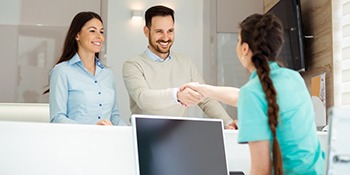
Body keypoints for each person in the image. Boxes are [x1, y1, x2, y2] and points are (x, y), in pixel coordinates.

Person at [181, 13, 324, 174]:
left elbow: (261, 170)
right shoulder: (294, 78)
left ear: (244, 48)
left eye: (238, 40)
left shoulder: (253, 93)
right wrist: (202, 89)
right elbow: (242, 97)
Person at [122, 5, 236, 128]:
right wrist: (177, 95)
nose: (166, 38)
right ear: (146, 31)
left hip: (178, 135)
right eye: (159, 31)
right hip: (144, 135)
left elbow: (205, 99)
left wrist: (227, 122)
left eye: (170, 31)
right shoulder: (133, 65)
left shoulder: (186, 63)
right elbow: (143, 98)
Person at [44, 11, 120, 126]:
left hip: (106, 141)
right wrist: (91, 129)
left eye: (101, 32)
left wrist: (128, 132)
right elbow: (57, 118)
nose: (99, 37)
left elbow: (115, 116)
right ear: (77, 35)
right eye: (92, 31)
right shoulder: (62, 71)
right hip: (76, 141)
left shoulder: (108, 74)